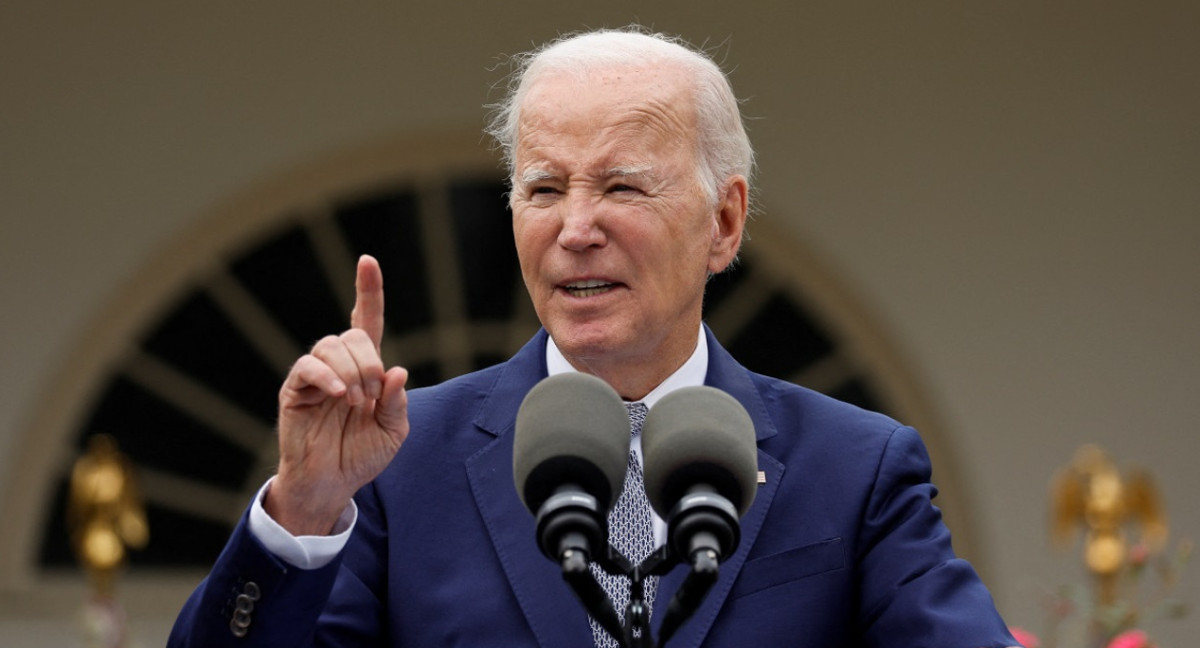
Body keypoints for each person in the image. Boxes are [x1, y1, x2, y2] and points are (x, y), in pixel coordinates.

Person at [168, 27, 1019, 647]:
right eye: (543, 190)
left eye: (620, 187)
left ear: (723, 222)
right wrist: (305, 511)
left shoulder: (856, 470)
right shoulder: (398, 466)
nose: (575, 228)